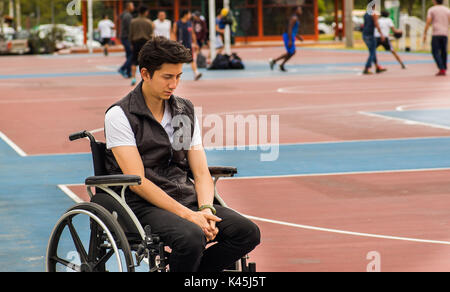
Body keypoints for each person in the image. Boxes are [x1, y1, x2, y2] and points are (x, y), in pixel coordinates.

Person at [103, 36, 260, 272]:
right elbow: (137, 182)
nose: (174, 84)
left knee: (247, 233)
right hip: (142, 205)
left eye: (178, 77)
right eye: (167, 77)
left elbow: (200, 171)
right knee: (191, 237)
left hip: (184, 197)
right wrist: (189, 216)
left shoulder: (183, 111)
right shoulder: (120, 115)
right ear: (145, 74)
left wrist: (206, 208)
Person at [269, 6, 304, 72]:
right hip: (288, 36)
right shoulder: (294, 18)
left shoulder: (296, 18)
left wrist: (298, 37)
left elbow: (293, 30)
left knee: (291, 52)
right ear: (295, 10)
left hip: (291, 36)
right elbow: (289, 29)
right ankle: (277, 62)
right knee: (292, 52)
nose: (301, 11)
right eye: (299, 9)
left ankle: (276, 62)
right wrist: (290, 40)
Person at [172, 10, 202, 81]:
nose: (190, 15)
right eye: (189, 14)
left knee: (192, 60)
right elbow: (173, 34)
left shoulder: (190, 23)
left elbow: (193, 34)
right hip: (180, 45)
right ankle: (176, 76)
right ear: (185, 15)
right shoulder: (177, 23)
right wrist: (173, 44)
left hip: (188, 45)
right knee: (179, 61)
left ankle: (196, 73)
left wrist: (196, 43)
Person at [423, 0, 450, 76]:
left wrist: (425, 32)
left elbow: (428, 21)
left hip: (436, 33)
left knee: (435, 51)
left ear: (435, 1)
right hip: (445, 33)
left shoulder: (432, 9)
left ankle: (441, 68)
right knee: (444, 51)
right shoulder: (447, 10)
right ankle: (444, 67)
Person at [129, 5, 154, 86]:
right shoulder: (149, 22)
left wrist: (131, 43)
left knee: (133, 61)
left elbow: (130, 34)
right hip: (145, 43)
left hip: (135, 42)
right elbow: (151, 35)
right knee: (145, 62)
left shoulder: (133, 21)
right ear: (145, 12)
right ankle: (144, 78)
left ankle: (133, 78)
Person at [361, 1, 387, 75]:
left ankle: (377, 67)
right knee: (372, 52)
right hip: (370, 35)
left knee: (372, 51)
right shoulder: (373, 14)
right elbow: (376, 24)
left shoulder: (366, 14)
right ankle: (367, 68)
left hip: (365, 35)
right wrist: (381, 34)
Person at [118, 1, 135, 78]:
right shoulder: (128, 16)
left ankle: (128, 72)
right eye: (132, 6)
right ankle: (122, 68)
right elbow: (130, 29)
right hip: (126, 38)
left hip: (123, 37)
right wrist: (132, 40)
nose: (133, 7)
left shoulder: (124, 14)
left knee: (129, 55)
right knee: (132, 54)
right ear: (128, 7)